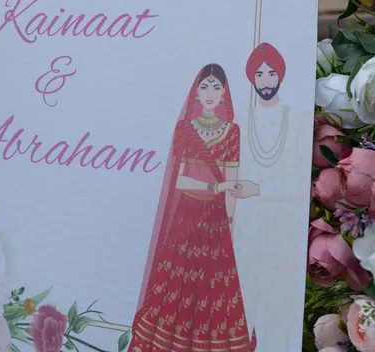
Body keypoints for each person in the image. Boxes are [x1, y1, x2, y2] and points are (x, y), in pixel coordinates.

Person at [130, 64, 255, 352]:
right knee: (177, 283)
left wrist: (230, 221)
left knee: (213, 287)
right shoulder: (185, 130)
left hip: (216, 221)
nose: (210, 93)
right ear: (196, 93)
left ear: (224, 94)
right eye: (204, 86)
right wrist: (216, 187)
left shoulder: (232, 132)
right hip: (186, 217)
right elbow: (180, 180)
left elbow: (233, 180)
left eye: (216, 87)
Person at [232, 43, 310, 350]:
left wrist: (260, 189)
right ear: (251, 78)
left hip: (284, 229)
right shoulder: (240, 120)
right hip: (247, 230)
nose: (265, 81)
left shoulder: (300, 119)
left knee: (280, 307)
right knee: (244, 303)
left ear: (281, 76)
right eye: (259, 74)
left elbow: (302, 180)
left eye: (271, 73)